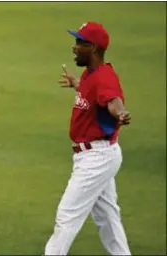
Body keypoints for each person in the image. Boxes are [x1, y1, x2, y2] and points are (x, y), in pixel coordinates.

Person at [44, 22, 132, 255]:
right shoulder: (90, 75)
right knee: (108, 218)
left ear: (93, 48)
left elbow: (112, 100)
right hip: (98, 155)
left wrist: (120, 113)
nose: (74, 48)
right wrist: (77, 85)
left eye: (80, 44)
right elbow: (92, 93)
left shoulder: (104, 77)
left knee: (67, 215)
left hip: (96, 157)